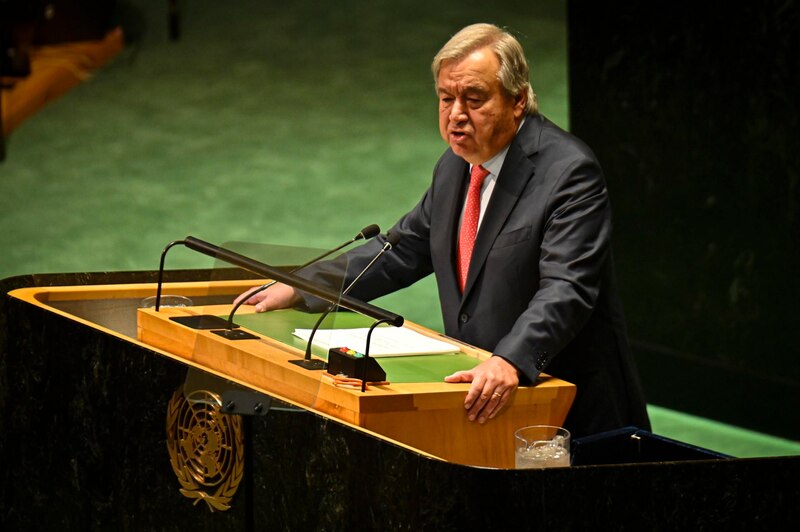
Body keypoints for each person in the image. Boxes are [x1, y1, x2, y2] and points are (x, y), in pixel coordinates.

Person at [236, 23, 650, 439]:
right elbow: (400, 250)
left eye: (474, 99)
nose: (456, 115)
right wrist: (303, 286)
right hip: (480, 402)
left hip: (567, 413)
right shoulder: (455, 166)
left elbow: (566, 289)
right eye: (446, 98)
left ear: (518, 100)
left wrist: (511, 359)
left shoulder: (568, 172)